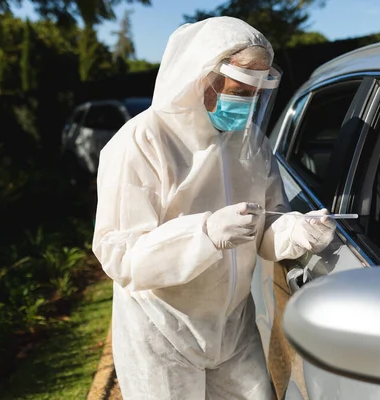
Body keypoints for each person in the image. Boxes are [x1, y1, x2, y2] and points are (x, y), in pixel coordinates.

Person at [92, 17, 336, 400]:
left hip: (234, 324)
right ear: (202, 78)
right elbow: (121, 255)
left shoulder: (250, 141)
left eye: (257, 93)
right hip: (163, 332)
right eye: (240, 90)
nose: (248, 103)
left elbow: (266, 230)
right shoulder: (141, 142)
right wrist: (202, 235)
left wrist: (295, 231)